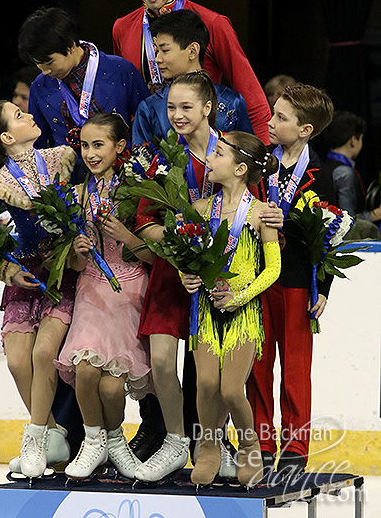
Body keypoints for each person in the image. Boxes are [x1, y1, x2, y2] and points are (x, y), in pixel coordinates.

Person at [131, 71, 282, 484]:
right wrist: (184, 253)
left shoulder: (233, 151)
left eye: (185, 107)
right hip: (178, 274)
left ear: (207, 108)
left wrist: (275, 220)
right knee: (172, 366)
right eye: (170, 108)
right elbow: (149, 220)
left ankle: (228, 445)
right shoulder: (165, 160)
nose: (176, 115)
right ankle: (185, 443)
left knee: (220, 383)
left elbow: (262, 215)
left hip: (231, 289)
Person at [0, 100, 78, 480]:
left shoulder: (63, 157)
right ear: (6, 137)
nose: (30, 115)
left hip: (62, 272)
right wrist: (8, 269)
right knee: (18, 362)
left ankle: (36, 441)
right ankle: (51, 433)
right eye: (19, 116)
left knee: (44, 354)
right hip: (25, 275)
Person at [54, 112, 154, 480]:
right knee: (84, 367)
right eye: (85, 146)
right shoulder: (78, 195)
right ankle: (93, 440)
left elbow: (155, 257)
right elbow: (75, 266)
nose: (91, 154)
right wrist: (79, 252)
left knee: (113, 386)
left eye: (99, 145)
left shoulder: (137, 192)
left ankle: (115, 442)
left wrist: (126, 236)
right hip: (92, 287)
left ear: (120, 147)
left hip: (130, 287)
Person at [181, 131, 281, 487]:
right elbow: (186, 259)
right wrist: (186, 276)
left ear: (240, 168)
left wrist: (240, 297)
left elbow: (273, 268)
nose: (209, 158)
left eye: (218, 153)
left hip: (243, 311)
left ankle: (249, 444)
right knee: (205, 383)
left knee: (230, 390)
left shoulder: (260, 215)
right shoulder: (199, 210)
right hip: (207, 311)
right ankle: (207, 448)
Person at [246, 83, 335, 477]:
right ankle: (263, 443)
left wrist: (325, 288)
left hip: (299, 282)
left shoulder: (325, 175)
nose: (270, 120)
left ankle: (296, 447)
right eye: (273, 112)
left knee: (296, 367)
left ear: (305, 130)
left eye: (280, 117)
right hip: (258, 280)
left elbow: (332, 234)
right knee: (258, 364)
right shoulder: (259, 164)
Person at [112, 0, 271, 143]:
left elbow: (251, 95)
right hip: (150, 147)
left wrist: (264, 155)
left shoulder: (213, 24)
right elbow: (124, 94)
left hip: (207, 146)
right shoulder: (122, 28)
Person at [18, 6, 149, 181]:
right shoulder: (39, 87)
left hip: (124, 178)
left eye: (49, 62)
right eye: (38, 64)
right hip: (71, 187)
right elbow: (39, 147)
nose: (45, 71)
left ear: (71, 46)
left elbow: (148, 125)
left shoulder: (120, 70)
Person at [132, 9, 254, 146]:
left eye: (165, 50)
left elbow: (247, 157)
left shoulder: (232, 103)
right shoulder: (149, 108)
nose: (157, 59)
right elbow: (141, 163)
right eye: (156, 51)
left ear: (193, 51)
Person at [323, 110, 381, 238]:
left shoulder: (324, 166)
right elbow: (347, 221)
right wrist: (376, 214)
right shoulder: (344, 173)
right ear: (354, 140)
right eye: (361, 138)